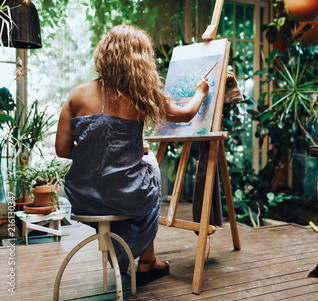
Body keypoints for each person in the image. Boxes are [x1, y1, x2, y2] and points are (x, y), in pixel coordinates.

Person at [55, 25, 209, 285]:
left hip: (83, 197)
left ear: (105, 54)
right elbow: (186, 114)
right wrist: (200, 92)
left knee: (137, 170)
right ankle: (146, 259)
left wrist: (97, 155)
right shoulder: (142, 95)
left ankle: (144, 258)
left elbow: (62, 149)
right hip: (125, 196)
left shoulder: (78, 94)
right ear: (141, 60)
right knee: (151, 168)